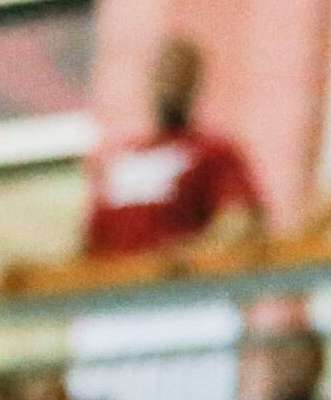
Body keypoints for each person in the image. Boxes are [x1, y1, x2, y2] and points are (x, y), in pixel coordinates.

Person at [82, 37, 267, 262]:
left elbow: (241, 220)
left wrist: (196, 255)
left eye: (181, 74)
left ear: (194, 84)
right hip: (120, 290)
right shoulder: (120, 158)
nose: (171, 84)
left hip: (183, 289)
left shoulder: (212, 150)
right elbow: (91, 242)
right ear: (150, 79)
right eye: (165, 73)